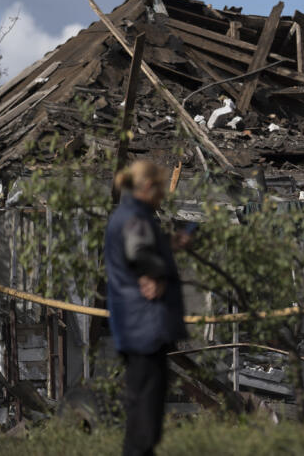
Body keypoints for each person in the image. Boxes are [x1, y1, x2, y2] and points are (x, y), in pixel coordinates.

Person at [105, 160, 191, 456]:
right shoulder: (134, 217)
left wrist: (168, 244)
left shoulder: (131, 215)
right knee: (145, 422)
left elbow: (142, 246)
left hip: (137, 327)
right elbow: (139, 253)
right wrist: (158, 274)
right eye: (159, 189)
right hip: (145, 328)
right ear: (146, 187)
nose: (162, 197)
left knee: (145, 416)